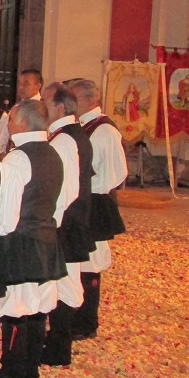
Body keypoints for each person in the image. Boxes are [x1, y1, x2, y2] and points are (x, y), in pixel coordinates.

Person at [0, 100, 66, 378]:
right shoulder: (54, 153)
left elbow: (6, 214)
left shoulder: (18, 159)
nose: (8, 124)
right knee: (37, 307)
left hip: (20, 241)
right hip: (46, 237)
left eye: (12, 119)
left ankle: (13, 374)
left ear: (23, 122)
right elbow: (61, 202)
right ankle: (30, 369)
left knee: (15, 308)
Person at [40, 82, 94, 368]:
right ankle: (57, 342)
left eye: (45, 102)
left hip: (66, 222)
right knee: (63, 281)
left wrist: (52, 220)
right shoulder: (71, 134)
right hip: (71, 220)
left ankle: (59, 346)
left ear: (60, 107)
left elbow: (67, 189)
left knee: (64, 284)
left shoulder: (64, 140)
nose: (40, 107)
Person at [70, 79, 127, 340]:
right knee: (80, 259)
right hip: (83, 199)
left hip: (95, 201)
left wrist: (89, 186)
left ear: (90, 99)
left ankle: (87, 322)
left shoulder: (104, 130)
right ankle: (75, 314)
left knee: (91, 262)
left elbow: (117, 172)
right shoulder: (82, 126)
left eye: (75, 98)